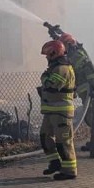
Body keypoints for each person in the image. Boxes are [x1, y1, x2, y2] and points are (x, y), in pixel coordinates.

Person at [38, 40, 78, 180]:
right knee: (45, 137)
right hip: (51, 112)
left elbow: (51, 84)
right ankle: (55, 163)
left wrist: (44, 77)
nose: (46, 58)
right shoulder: (55, 67)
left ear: (53, 53)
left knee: (63, 142)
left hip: (61, 112)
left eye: (47, 55)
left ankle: (69, 171)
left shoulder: (62, 68)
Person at [59, 33, 94, 150]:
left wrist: (93, 87)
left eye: (64, 45)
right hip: (84, 91)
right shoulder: (73, 55)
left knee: (92, 117)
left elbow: (89, 69)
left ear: (69, 45)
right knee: (91, 116)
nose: (63, 49)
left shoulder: (77, 55)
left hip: (88, 91)